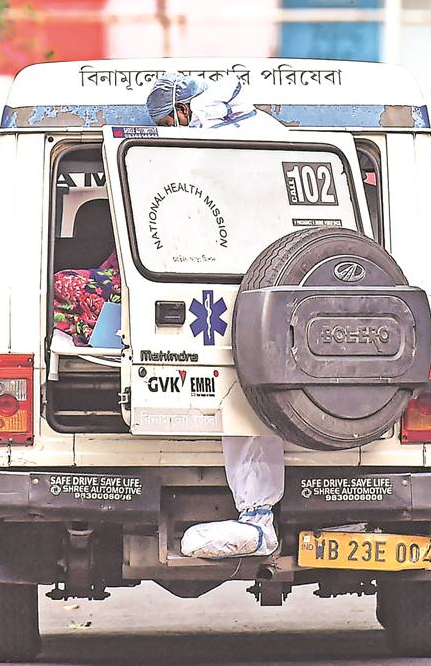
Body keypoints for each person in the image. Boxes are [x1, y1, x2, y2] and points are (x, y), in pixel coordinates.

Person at [143, 73, 288, 559]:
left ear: (186, 108)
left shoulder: (239, 136)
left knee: (248, 402)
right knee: (246, 402)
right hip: (268, 287)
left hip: (259, 283)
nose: (172, 130)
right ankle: (256, 514)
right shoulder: (252, 129)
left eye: (169, 121)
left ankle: (258, 514)